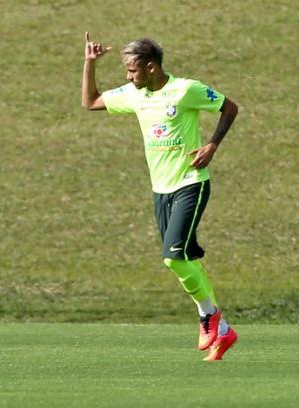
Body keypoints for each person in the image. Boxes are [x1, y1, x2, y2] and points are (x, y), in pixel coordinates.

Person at [81, 32, 239, 361]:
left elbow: (229, 108)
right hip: (160, 190)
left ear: (151, 67)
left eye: (132, 70)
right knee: (187, 260)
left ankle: (209, 317)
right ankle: (222, 332)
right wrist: (89, 63)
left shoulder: (185, 90)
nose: (128, 76)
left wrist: (212, 145)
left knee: (173, 256)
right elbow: (90, 101)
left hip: (190, 183)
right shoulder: (134, 95)